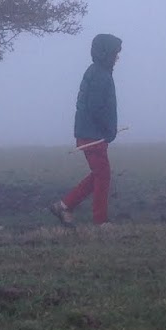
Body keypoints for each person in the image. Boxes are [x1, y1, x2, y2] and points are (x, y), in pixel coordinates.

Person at [50, 33, 122, 226]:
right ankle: (100, 220)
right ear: (105, 53)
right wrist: (108, 130)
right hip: (92, 135)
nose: (117, 57)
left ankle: (64, 205)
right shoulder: (100, 75)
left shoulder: (96, 71)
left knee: (100, 173)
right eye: (115, 53)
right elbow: (96, 107)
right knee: (103, 174)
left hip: (89, 133)